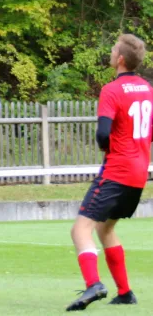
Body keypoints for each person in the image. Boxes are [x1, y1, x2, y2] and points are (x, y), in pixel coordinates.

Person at [65, 34, 150, 311]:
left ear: (121, 59)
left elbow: (103, 134)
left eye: (114, 49)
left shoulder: (111, 90)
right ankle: (125, 292)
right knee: (106, 229)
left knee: (80, 230)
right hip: (139, 172)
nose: (111, 53)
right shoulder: (148, 89)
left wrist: (110, 148)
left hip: (117, 169)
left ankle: (94, 284)